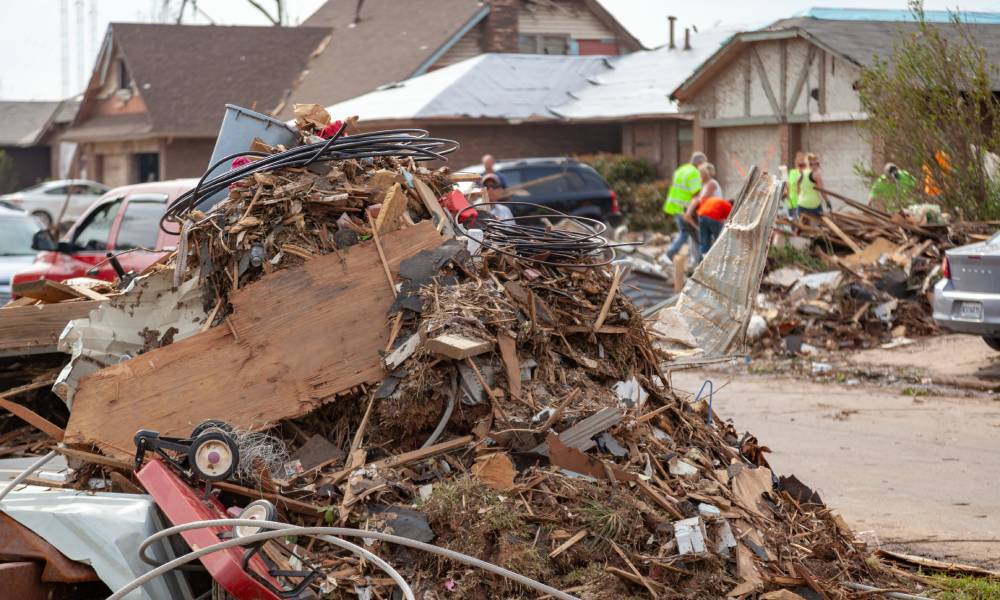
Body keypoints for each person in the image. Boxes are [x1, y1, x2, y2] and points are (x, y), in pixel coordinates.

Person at [661, 151, 708, 264]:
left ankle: (695, 260)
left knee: (688, 233)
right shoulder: (693, 172)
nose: (705, 167)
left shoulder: (681, 169)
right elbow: (695, 192)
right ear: (699, 162)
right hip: (686, 209)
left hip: (676, 207)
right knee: (689, 233)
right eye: (704, 164)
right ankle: (669, 254)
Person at [685, 163, 730, 256]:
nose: (699, 176)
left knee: (712, 240)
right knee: (710, 240)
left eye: (700, 174)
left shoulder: (711, 183)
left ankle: (711, 261)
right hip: (709, 214)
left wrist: (693, 204)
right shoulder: (704, 185)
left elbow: (703, 198)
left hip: (713, 214)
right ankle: (706, 263)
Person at [796, 153, 832, 217]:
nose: (815, 166)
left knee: (801, 226)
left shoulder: (800, 174)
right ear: (809, 164)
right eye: (813, 164)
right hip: (814, 205)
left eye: (817, 164)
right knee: (820, 226)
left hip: (801, 205)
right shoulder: (816, 175)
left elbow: (798, 191)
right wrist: (827, 202)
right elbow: (822, 191)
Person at [785, 152, 806, 218]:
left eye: (804, 165)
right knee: (794, 224)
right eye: (800, 165)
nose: (802, 167)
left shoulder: (807, 174)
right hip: (793, 203)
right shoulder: (792, 173)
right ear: (796, 164)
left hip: (804, 204)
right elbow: (789, 186)